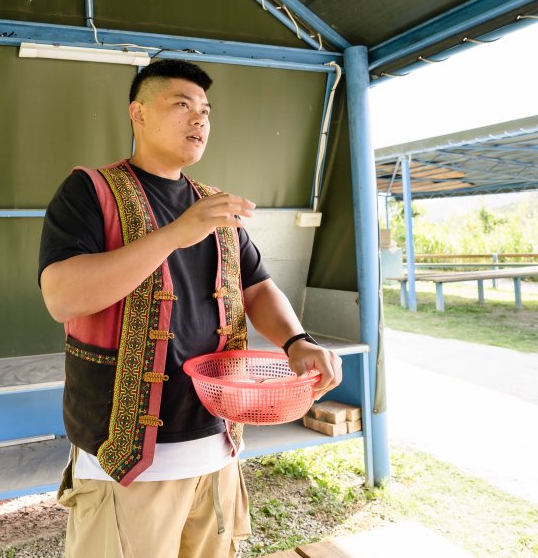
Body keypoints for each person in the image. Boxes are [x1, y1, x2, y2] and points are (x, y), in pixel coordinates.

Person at [38, 59, 342, 558]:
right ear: (137, 113)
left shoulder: (214, 204)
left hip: (217, 447)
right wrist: (177, 233)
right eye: (181, 105)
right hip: (126, 459)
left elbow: (256, 287)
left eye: (205, 109)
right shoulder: (89, 191)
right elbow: (62, 296)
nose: (199, 119)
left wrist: (297, 341)